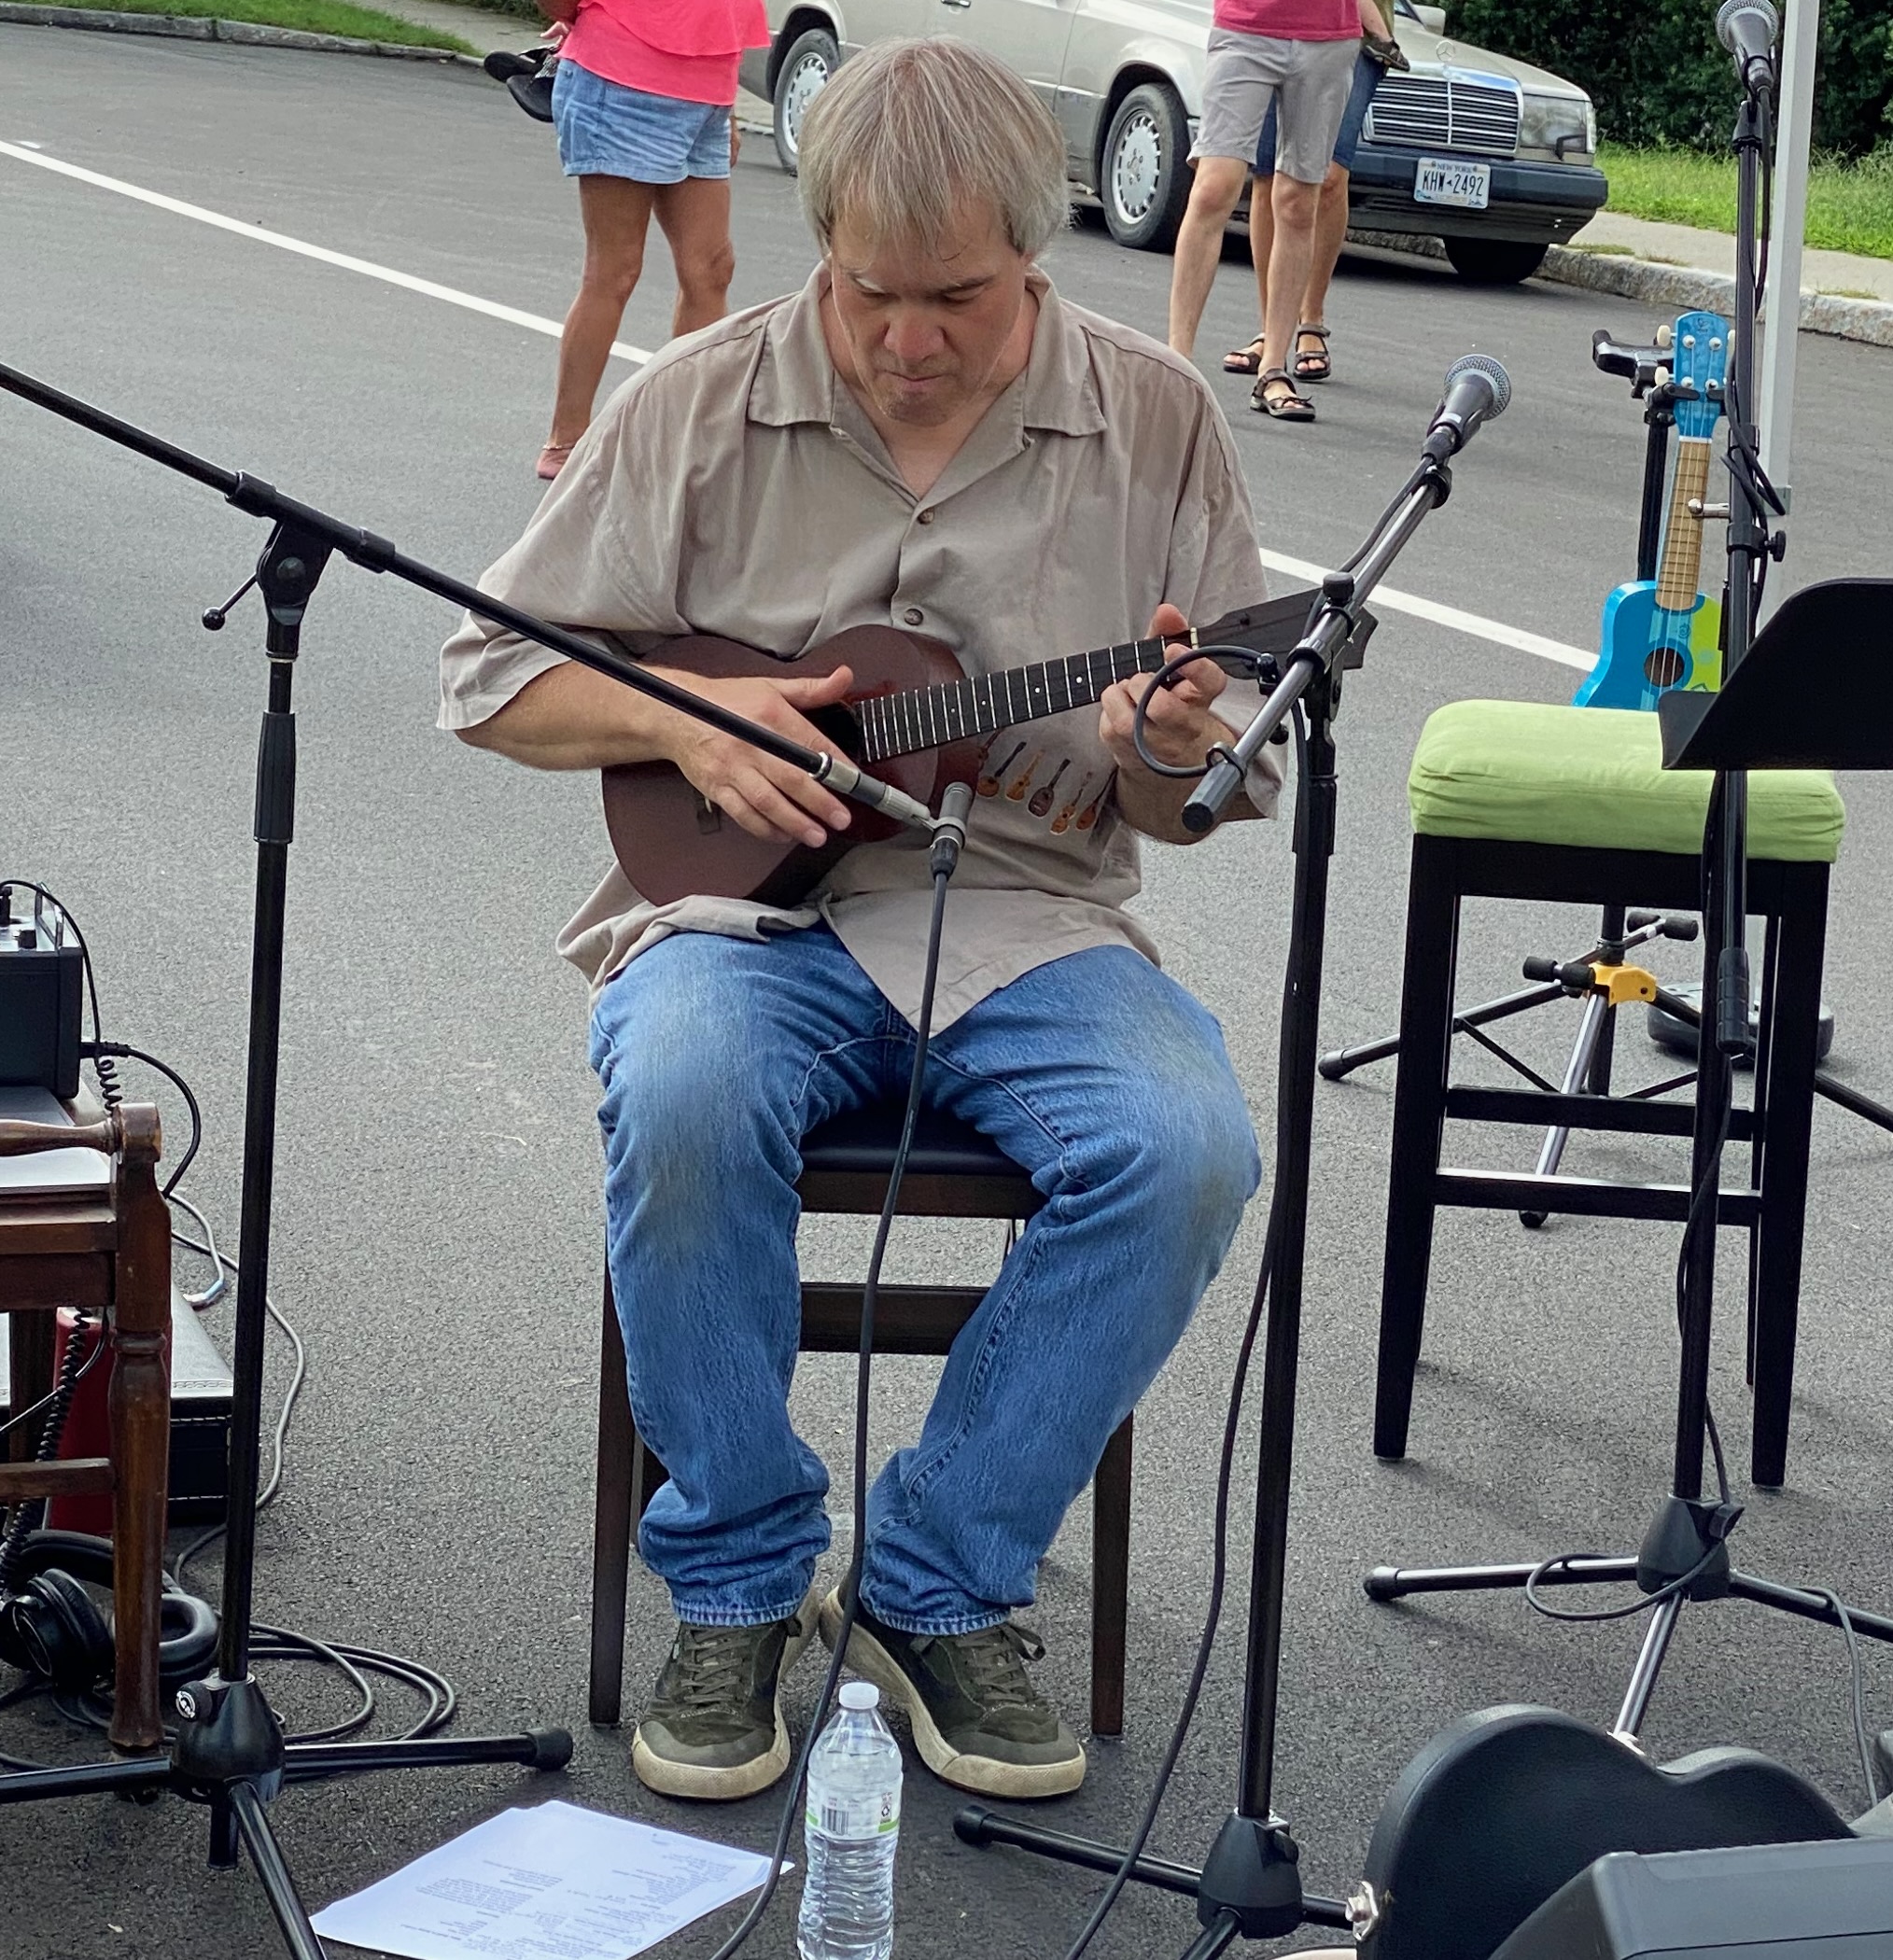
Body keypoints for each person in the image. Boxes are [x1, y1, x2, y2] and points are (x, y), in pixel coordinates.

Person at [442, 37, 1278, 1806]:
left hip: (1034, 920)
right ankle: (739, 1580)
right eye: (868, 293)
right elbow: (491, 675)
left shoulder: (1158, 417)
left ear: (1036, 256)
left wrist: (1166, 747)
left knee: (1188, 1145)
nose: (907, 339)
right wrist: (683, 724)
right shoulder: (698, 398)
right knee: (679, 1090)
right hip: (748, 928)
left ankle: (936, 1584)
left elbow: (1205, 780)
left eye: (958, 299)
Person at [529, 0, 769, 481]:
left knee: (711, 269)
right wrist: (588, 19)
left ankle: (679, 430)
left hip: (707, 95)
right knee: (615, 271)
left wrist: (729, 112)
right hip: (622, 82)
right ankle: (565, 441)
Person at [1166, 0, 1364, 423]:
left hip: (1327, 37)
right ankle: (1176, 364)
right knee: (1213, 187)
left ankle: (1272, 368)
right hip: (1246, 28)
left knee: (1297, 204)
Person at [1223, 0, 1403, 387]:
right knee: (1269, 175)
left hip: (1357, 34)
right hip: (1271, 27)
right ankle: (1272, 333)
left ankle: (1311, 318)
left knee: (1329, 175)